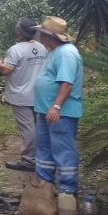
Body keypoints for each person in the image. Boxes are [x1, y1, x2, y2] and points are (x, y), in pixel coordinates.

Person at [31, 16, 83, 198]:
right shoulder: (56, 51)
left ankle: (67, 190)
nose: (39, 36)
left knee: (63, 148)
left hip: (61, 113)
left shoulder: (66, 54)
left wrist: (56, 106)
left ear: (50, 36)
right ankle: (44, 184)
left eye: (41, 33)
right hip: (46, 110)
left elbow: (66, 83)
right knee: (44, 148)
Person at [0, 17, 47, 171]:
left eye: (17, 27)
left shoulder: (15, 50)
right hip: (38, 94)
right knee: (37, 126)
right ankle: (41, 158)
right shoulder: (42, 48)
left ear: (20, 32)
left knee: (28, 129)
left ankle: (28, 161)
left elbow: (5, 71)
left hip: (21, 95)